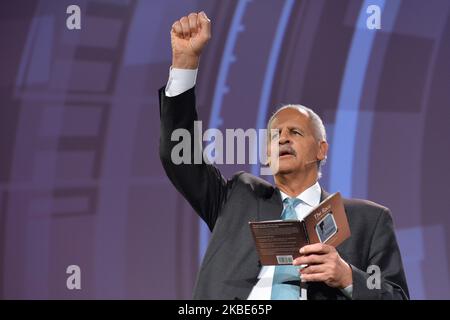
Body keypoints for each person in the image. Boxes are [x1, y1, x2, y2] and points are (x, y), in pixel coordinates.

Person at [159, 11, 409, 300]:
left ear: (321, 149)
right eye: (275, 135)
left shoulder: (368, 219)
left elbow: (395, 296)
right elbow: (178, 156)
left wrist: (347, 276)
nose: (284, 138)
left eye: (296, 132)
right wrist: (185, 64)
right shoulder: (238, 198)